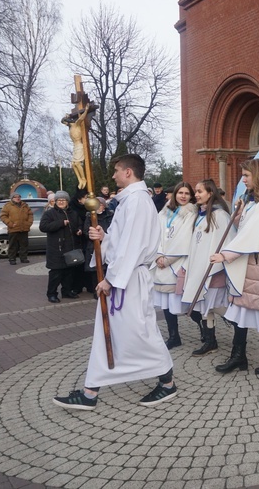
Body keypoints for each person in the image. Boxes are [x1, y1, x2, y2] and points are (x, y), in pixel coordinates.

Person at [53, 154, 177, 410]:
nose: (113, 176)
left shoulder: (137, 202)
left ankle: (166, 382)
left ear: (129, 173)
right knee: (115, 331)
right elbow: (123, 240)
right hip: (126, 276)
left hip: (129, 278)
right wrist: (104, 235)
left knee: (139, 331)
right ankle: (91, 391)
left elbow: (132, 247)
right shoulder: (131, 201)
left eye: (117, 171)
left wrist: (110, 279)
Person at [210, 159, 259, 375]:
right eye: (243, 175)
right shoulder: (254, 201)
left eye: (246, 175)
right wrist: (238, 214)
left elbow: (254, 234)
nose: (243, 180)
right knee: (239, 311)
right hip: (247, 262)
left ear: (258, 175)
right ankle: (239, 356)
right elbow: (244, 230)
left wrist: (226, 255)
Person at [180, 179, 232, 356]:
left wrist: (217, 262)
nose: (196, 194)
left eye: (200, 191)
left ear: (210, 193)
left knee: (215, 305)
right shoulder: (200, 215)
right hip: (198, 268)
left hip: (213, 271)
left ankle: (240, 323)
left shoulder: (220, 216)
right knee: (205, 306)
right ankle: (211, 341)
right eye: (196, 191)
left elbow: (227, 242)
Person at [151, 182, 197, 349]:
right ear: (174, 194)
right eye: (180, 193)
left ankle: (206, 331)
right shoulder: (164, 213)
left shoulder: (191, 213)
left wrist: (168, 259)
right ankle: (174, 336)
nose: (183, 196)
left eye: (187, 193)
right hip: (161, 261)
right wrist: (158, 255)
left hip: (178, 262)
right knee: (166, 304)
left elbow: (185, 239)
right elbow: (155, 234)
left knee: (186, 303)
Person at [39, 191, 82, 303]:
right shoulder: (50, 213)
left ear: (67, 201)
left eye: (64, 200)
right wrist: (60, 223)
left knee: (68, 272)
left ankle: (66, 291)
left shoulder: (73, 213)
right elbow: (43, 227)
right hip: (56, 249)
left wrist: (79, 230)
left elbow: (78, 224)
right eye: (59, 200)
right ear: (55, 202)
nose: (61, 202)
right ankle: (51, 294)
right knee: (56, 273)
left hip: (70, 248)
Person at [82, 197, 114, 299]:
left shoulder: (110, 215)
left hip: (108, 244)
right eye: (97, 204)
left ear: (104, 206)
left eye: (100, 204)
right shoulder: (90, 216)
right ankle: (96, 290)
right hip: (94, 246)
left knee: (107, 268)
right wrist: (94, 236)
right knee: (95, 270)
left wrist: (105, 236)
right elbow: (86, 231)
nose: (98, 206)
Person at [0, 192, 34, 265]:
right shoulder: (7, 206)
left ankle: (23, 258)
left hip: (24, 228)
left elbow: (30, 214)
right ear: (12, 198)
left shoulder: (25, 205)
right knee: (13, 245)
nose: (17, 198)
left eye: (19, 197)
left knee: (24, 244)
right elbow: (3, 216)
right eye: (15, 197)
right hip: (13, 229)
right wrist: (10, 224)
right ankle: (12, 259)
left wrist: (28, 223)